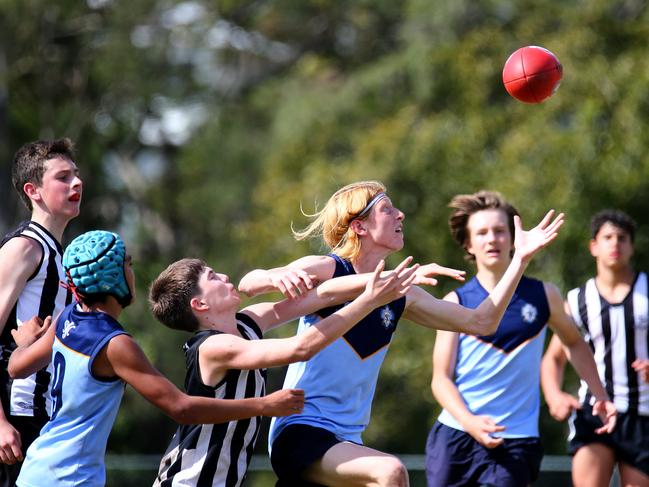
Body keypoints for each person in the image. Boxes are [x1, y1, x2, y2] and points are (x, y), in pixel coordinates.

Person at [237, 181, 565, 487]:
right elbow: (248, 285)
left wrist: (519, 260)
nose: (400, 214)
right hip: (301, 432)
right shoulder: (329, 269)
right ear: (359, 226)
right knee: (391, 471)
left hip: (348, 440)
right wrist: (274, 276)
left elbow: (483, 323)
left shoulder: (402, 292)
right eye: (387, 209)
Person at [7, 230, 304, 487]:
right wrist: (264, 405)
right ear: (114, 279)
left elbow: (16, 367)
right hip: (71, 478)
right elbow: (181, 408)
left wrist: (25, 343)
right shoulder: (115, 344)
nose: (132, 272)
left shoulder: (67, 318)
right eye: (128, 264)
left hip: (36, 469)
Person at [149, 254, 418, 487]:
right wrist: (369, 300)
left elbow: (323, 296)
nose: (223, 275)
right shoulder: (212, 347)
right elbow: (300, 348)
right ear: (200, 305)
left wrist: (392, 278)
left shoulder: (248, 323)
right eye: (212, 277)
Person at [424, 191, 616, 487]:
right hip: (457, 435)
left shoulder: (543, 296)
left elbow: (574, 343)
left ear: (514, 239)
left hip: (516, 440)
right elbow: (440, 379)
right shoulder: (456, 301)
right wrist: (469, 421)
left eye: (500, 231)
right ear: (468, 243)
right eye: (482, 232)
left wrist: (600, 395)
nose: (492, 239)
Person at [541, 209, 649, 487]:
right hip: (594, 411)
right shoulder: (577, 300)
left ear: (631, 246)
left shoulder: (646, 293)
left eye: (622, 238)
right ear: (593, 246)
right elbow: (554, 358)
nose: (615, 244)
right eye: (608, 237)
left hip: (642, 415)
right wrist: (554, 396)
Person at [0, 138, 82, 484]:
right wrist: (0, 423)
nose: (77, 183)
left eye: (76, 175)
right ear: (33, 190)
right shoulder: (25, 248)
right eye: (63, 178)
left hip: (45, 415)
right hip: (15, 420)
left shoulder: (60, 255)